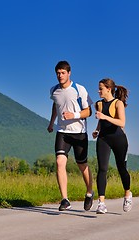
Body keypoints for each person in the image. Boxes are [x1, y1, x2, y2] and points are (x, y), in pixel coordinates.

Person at [47, 60, 94, 211]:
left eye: (63, 73)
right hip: (62, 132)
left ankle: (89, 192)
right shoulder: (54, 90)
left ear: (69, 73)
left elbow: (89, 112)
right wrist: (51, 122)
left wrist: (73, 115)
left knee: (82, 165)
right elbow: (56, 105)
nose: (60, 76)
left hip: (79, 133)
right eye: (58, 73)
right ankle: (65, 199)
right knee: (60, 163)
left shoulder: (79, 89)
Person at [92, 78, 132, 214]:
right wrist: (97, 130)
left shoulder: (118, 103)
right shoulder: (98, 104)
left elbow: (122, 123)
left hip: (119, 139)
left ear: (108, 89)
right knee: (102, 169)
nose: (98, 91)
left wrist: (104, 117)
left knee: (122, 168)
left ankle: (127, 194)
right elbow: (101, 122)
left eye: (100, 88)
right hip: (103, 139)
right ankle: (101, 203)